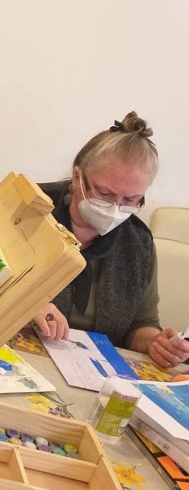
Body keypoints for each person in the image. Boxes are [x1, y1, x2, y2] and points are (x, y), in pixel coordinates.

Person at [32, 111, 189, 368]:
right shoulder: (29, 208)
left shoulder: (137, 243)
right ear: (77, 176)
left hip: (88, 370)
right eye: (104, 193)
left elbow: (141, 324)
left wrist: (155, 344)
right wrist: (28, 304)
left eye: (130, 200)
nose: (115, 208)